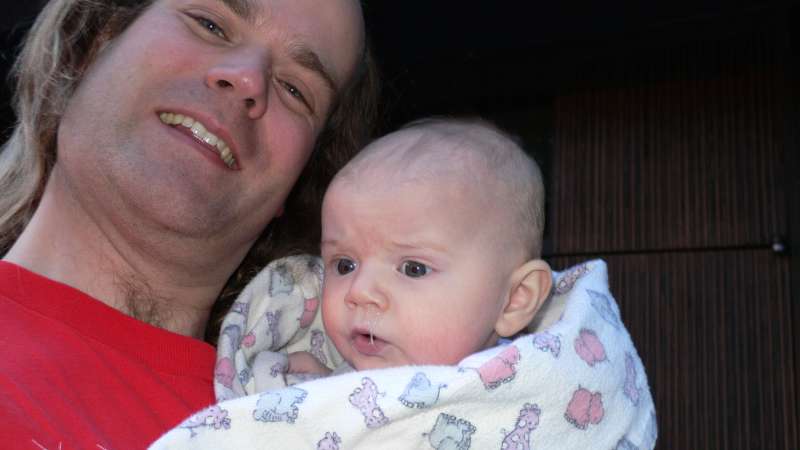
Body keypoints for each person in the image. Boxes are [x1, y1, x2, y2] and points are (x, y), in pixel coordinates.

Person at [0, 0, 379, 447]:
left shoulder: (342, 428)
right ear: (92, 47)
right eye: (209, 25)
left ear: (297, 186)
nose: (248, 79)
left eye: (295, 90)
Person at [151, 118, 658, 449]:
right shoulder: (310, 370)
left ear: (515, 301)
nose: (360, 292)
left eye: (413, 268)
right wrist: (306, 393)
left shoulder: (545, 393)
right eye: (343, 264)